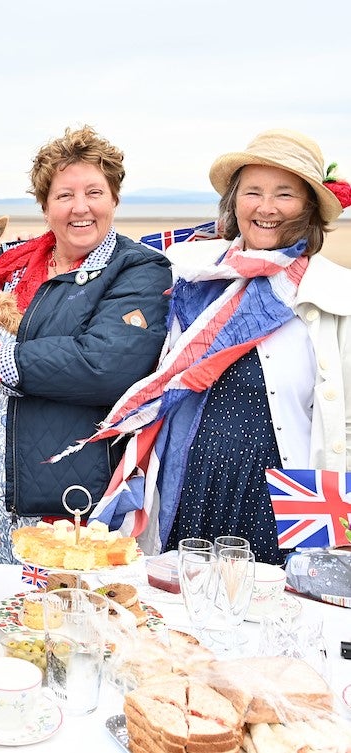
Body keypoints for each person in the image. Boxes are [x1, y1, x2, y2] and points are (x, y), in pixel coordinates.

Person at [85, 129, 351, 566]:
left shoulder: (332, 293)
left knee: (276, 616)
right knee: (181, 616)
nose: (266, 208)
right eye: (253, 192)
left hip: (284, 500)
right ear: (234, 201)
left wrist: (342, 530)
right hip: (190, 483)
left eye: (284, 194)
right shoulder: (194, 275)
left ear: (307, 208)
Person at [0, 125, 172, 562]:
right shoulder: (13, 261)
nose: (80, 208)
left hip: (56, 496)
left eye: (94, 192)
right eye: (64, 195)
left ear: (114, 199)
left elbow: (106, 365)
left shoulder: (137, 270)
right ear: (45, 205)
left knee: (52, 616)